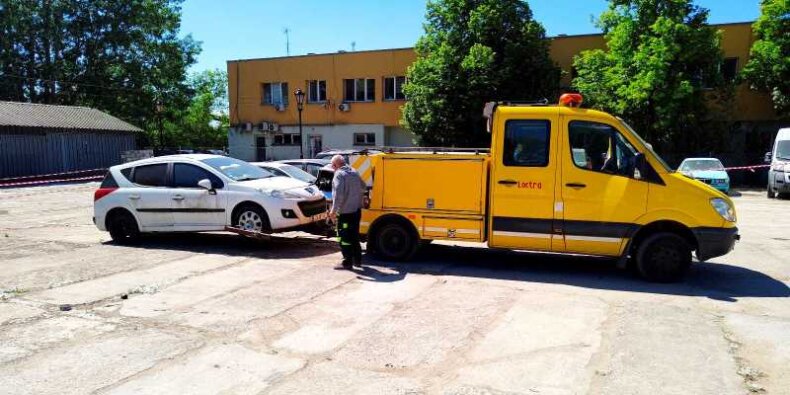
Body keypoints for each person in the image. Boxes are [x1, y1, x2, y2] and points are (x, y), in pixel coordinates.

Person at [329, 155, 366, 270]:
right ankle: (357, 260)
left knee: (344, 239)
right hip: (356, 211)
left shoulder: (339, 174)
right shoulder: (354, 171)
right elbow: (363, 186)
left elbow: (338, 195)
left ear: (335, 165)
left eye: (332, 166)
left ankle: (347, 262)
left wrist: (333, 211)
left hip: (345, 213)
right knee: (354, 236)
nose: (332, 168)